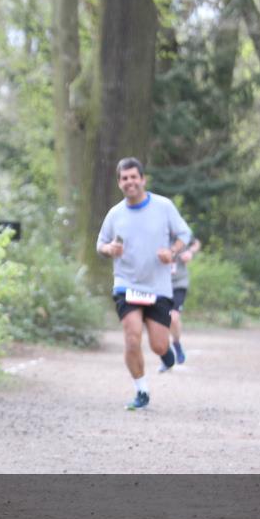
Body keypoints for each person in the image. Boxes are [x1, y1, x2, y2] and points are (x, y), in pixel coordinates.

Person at [96, 157, 191, 410]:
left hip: (158, 286)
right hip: (126, 284)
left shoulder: (163, 206)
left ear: (142, 179)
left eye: (133, 177)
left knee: (158, 343)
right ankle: (141, 391)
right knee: (132, 336)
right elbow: (100, 245)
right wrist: (110, 249)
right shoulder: (115, 213)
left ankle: (166, 354)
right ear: (119, 183)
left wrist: (172, 252)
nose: (130, 182)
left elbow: (184, 235)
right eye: (124, 178)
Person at [160, 236, 202, 371]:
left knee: (174, 318)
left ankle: (176, 344)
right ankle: (166, 356)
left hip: (179, 283)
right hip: (159, 284)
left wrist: (190, 252)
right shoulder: (156, 232)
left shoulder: (180, 233)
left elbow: (196, 243)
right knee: (160, 321)